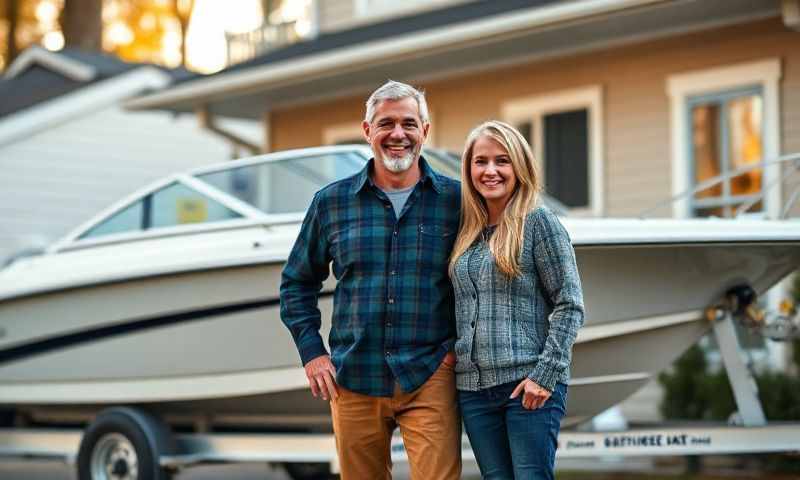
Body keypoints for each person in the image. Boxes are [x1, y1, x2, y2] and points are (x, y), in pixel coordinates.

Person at [280, 80, 462, 479]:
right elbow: (296, 282)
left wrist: (453, 352)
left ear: (425, 132)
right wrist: (312, 353)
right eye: (386, 124)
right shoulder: (331, 202)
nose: (398, 134)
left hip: (428, 373)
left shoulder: (457, 201)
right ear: (368, 131)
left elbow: (481, 282)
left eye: (409, 124)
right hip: (354, 377)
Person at [449, 120, 584, 479]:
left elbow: (570, 304)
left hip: (527, 387)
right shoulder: (466, 230)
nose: (490, 170)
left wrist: (546, 375)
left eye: (502, 161)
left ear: (519, 167)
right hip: (474, 392)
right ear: (469, 169)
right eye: (481, 161)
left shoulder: (539, 223)